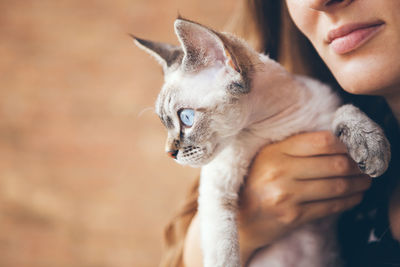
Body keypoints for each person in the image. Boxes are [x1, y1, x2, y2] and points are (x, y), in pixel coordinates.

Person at [159, 1, 400, 266]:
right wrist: (248, 223)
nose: (319, 1)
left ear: (226, 63)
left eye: (186, 118)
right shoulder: (240, 128)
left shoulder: (322, 103)